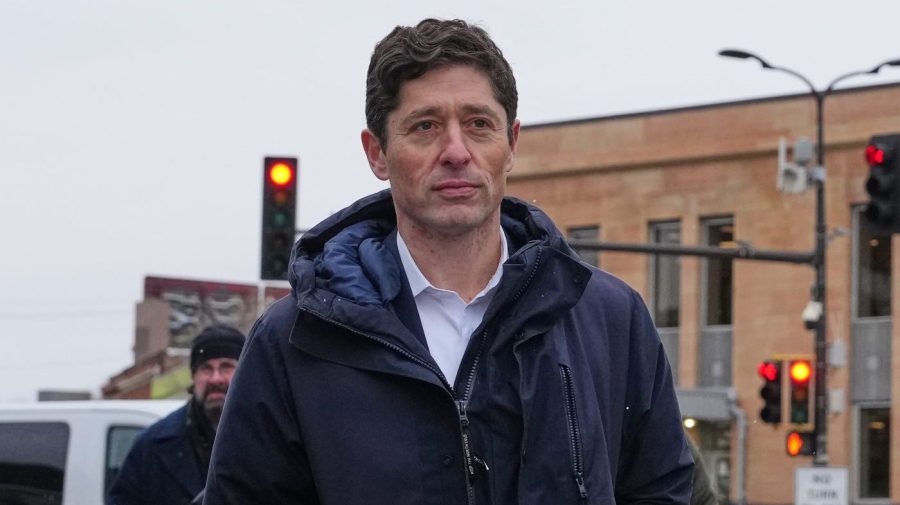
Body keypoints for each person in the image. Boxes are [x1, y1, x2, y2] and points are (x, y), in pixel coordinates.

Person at [204, 18, 693, 505]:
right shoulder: (295, 339)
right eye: (426, 126)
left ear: (511, 144)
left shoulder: (610, 318)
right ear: (377, 153)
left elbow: (661, 490)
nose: (456, 152)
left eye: (479, 124)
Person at [107, 324, 245, 505]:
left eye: (226, 367)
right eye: (206, 368)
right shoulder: (152, 446)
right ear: (193, 377)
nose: (215, 378)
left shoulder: (267, 437)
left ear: (244, 373)